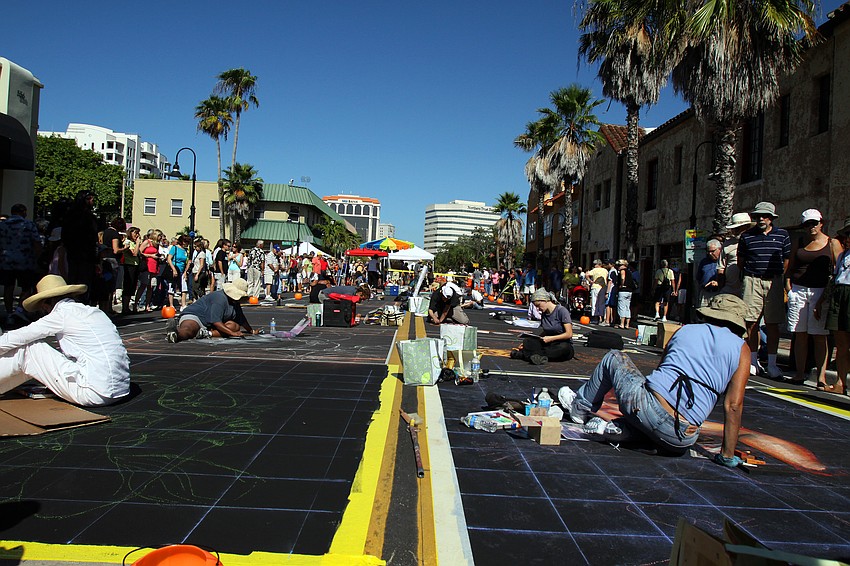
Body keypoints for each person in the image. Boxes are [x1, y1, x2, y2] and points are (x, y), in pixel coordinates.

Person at [561, 294, 751, 460]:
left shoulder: (685, 330)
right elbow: (733, 405)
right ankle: (628, 431)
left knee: (615, 357)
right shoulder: (742, 349)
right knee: (658, 425)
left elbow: (659, 374)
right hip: (682, 437)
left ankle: (581, 408)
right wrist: (727, 455)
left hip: (647, 408)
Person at [0, 275, 130, 406]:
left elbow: (17, 337)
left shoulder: (61, 314)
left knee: (29, 350)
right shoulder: (94, 311)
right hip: (120, 390)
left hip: (95, 392)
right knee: (35, 360)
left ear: (46, 304)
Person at [737, 201, 791, 378]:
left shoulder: (782, 235)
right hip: (752, 279)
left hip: (774, 280)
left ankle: (773, 364)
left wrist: (779, 277)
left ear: (771, 218)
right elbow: (741, 261)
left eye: (765, 216)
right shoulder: (747, 236)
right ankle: (752, 362)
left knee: (772, 323)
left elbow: (786, 259)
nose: (761, 219)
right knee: (751, 322)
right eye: (758, 216)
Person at [785, 209, 832, 387]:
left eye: (814, 223)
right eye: (807, 224)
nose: (811, 227)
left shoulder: (831, 242)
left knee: (819, 335)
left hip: (820, 291)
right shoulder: (799, 241)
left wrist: (824, 297)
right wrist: (789, 288)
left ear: (821, 223)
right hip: (798, 289)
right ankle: (799, 373)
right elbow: (790, 266)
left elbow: (835, 271)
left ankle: (821, 377)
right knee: (800, 334)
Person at [166, 278, 255, 342]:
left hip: (209, 326)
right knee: (189, 330)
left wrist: (251, 331)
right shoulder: (219, 298)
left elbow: (242, 319)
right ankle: (176, 334)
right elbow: (216, 321)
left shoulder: (235, 303)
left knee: (235, 326)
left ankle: (205, 333)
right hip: (195, 316)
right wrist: (232, 333)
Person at [821, 216, 850, 394]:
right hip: (839, 294)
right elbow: (834, 280)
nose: (848, 237)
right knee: (841, 343)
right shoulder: (842, 256)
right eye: (847, 234)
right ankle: (841, 383)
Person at [510, 289, 574, 365]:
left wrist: (551, 338)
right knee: (528, 341)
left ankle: (525, 355)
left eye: (538, 305)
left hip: (561, 343)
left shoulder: (562, 311)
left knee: (563, 348)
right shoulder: (544, 313)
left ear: (545, 300)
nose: (538, 309)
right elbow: (547, 331)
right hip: (548, 342)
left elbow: (569, 334)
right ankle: (536, 356)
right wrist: (536, 339)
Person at [0, 203, 42, 314]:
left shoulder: (3, 225)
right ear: (23, 212)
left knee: (8, 287)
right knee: (26, 287)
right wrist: (36, 258)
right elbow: (37, 243)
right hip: (25, 261)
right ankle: (19, 310)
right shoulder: (29, 225)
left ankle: (9, 313)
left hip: (7, 261)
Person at [718, 213, 754, 296]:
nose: (735, 231)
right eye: (734, 229)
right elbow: (721, 267)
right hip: (729, 290)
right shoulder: (727, 244)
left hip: (749, 291)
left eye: (738, 228)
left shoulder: (755, 242)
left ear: (747, 227)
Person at [697, 239, 724, 308]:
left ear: (719, 249)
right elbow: (698, 276)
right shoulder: (704, 262)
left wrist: (718, 283)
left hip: (719, 293)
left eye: (712, 251)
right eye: (708, 251)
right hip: (706, 292)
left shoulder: (723, 261)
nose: (710, 254)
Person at [615, 260, 636, 329]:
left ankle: (622, 323)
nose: (618, 267)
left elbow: (622, 277)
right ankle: (627, 324)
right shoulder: (629, 271)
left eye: (619, 265)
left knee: (622, 307)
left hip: (623, 291)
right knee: (627, 307)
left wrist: (621, 285)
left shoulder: (622, 271)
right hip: (629, 291)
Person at [587, 259, 608, 324]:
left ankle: (595, 318)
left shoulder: (594, 270)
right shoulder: (605, 270)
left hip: (595, 287)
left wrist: (590, 281)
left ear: (596, 264)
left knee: (594, 302)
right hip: (603, 287)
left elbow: (587, 274)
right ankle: (601, 317)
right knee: (601, 303)